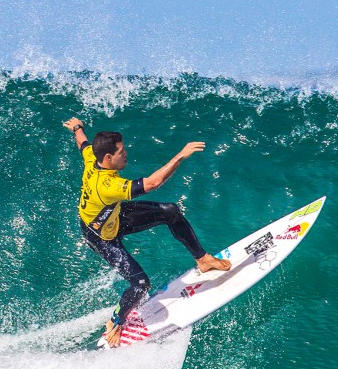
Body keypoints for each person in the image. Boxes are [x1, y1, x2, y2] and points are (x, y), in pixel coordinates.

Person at [64, 117, 231, 347]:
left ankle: (203, 259)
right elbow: (153, 183)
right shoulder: (107, 187)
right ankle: (115, 321)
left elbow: (83, 144)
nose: (126, 154)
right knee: (141, 284)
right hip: (101, 235)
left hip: (112, 213)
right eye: (121, 152)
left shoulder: (93, 156)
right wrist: (180, 156)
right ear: (108, 158)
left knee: (170, 211)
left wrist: (77, 128)